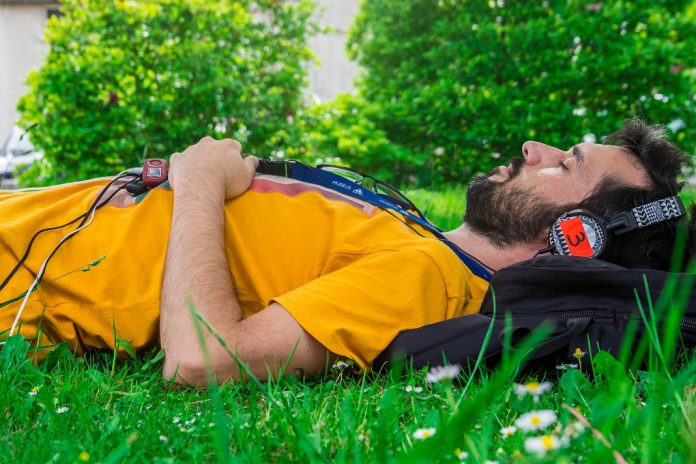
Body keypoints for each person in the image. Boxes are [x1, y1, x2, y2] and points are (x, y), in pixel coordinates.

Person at [0, 119, 692, 385]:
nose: (531, 149)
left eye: (563, 163)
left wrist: (202, 182)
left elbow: (203, 361)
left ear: (575, 239)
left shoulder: (432, 278)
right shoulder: (419, 240)